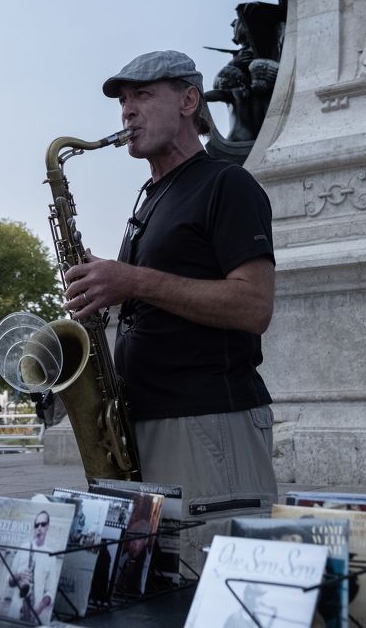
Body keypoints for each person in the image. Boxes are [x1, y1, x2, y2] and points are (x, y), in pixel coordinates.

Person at [62, 49, 278, 573]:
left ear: (188, 100)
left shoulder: (227, 184)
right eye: (123, 101)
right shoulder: (150, 197)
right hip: (146, 428)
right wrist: (102, 286)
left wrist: (131, 279)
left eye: (143, 95)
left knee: (212, 593)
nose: (127, 112)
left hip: (207, 425)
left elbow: (253, 305)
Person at [7, 509, 56, 624]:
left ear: (48, 526)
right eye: (36, 525)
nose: (39, 528)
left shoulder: (51, 555)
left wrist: (39, 608)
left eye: (43, 524)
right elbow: (9, 581)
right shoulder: (24, 547)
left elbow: (51, 591)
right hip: (15, 608)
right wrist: (18, 576)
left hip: (35, 611)